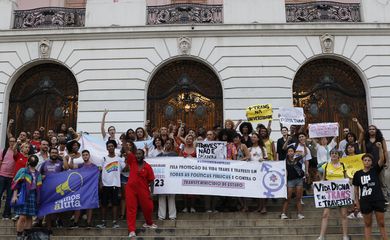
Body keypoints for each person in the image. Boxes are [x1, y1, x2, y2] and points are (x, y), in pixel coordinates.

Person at [353, 145, 388, 240]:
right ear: (362, 161)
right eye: (365, 160)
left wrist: (380, 148)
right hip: (365, 201)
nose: (367, 161)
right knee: (368, 224)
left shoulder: (375, 170)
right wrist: (357, 202)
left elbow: (381, 159)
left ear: (372, 162)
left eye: (369, 160)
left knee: (381, 223)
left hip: (378, 199)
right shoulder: (357, 174)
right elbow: (356, 190)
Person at [317, 149, 349, 240]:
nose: (334, 155)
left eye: (335, 153)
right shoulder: (326, 165)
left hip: (341, 193)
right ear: (330, 155)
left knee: (343, 214)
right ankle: (321, 236)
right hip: (329, 194)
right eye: (332, 153)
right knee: (325, 214)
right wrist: (319, 183)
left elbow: (347, 178)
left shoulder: (343, 165)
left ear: (339, 156)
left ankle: (345, 236)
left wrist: (349, 182)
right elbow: (323, 179)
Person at [124, 148, 156, 238]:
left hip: (143, 189)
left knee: (149, 207)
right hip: (130, 188)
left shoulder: (148, 166)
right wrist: (125, 143)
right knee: (131, 209)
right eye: (137, 154)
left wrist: (152, 192)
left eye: (140, 154)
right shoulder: (132, 162)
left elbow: (152, 180)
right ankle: (131, 230)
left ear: (143, 155)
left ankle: (149, 223)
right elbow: (127, 151)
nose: (138, 155)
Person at [12, 155, 42, 240]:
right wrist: (14, 195)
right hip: (23, 194)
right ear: (28, 161)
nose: (34, 161)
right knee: (22, 216)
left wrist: (38, 198)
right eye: (32, 160)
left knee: (30, 216)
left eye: (35, 160)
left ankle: (26, 235)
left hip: (33, 195)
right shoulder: (23, 171)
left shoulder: (37, 173)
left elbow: (39, 186)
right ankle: (19, 235)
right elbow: (16, 183)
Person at [96, 140, 125, 229]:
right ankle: (103, 222)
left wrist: (127, 158)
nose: (110, 147)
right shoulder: (103, 158)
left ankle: (114, 222)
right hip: (105, 184)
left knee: (115, 204)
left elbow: (125, 169)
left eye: (112, 146)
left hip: (115, 185)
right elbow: (100, 171)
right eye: (109, 146)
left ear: (114, 147)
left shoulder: (119, 159)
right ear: (107, 148)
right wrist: (100, 182)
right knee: (104, 204)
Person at [67, 150, 98, 229]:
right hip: (81, 188)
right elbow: (71, 167)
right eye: (83, 155)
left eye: (86, 155)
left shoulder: (94, 166)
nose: (85, 156)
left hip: (90, 188)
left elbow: (97, 177)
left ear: (89, 155)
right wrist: (72, 159)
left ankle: (88, 223)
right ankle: (75, 223)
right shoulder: (80, 165)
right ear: (82, 156)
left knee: (89, 206)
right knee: (78, 205)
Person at [362, 124, 389, 203]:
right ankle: (372, 198)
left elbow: (385, 151)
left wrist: (387, 162)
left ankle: (384, 199)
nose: (372, 130)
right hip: (369, 165)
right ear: (368, 131)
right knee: (370, 182)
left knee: (381, 181)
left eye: (373, 129)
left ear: (376, 130)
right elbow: (365, 153)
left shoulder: (381, 139)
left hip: (380, 163)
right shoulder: (365, 140)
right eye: (370, 129)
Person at [40, 148, 65, 230]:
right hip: (47, 190)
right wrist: (41, 177)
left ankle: (56, 221)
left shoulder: (60, 163)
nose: (54, 154)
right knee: (48, 208)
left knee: (58, 207)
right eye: (52, 152)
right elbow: (39, 175)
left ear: (57, 154)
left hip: (58, 190)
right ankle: (49, 227)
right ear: (49, 153)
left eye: (55, 153)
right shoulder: (44, 163)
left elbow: (65, 174)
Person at [281, 146, 305, 220]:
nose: (290, 152)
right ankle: (283, 214)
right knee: (288, 198)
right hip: (290, 181)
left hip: (299, 180)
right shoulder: (284, 161)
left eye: (292, 151)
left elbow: (305, 153)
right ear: (287, 153)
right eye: (289, 151)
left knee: (298, 198)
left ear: (294, 152)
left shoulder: (298, 159)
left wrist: (304, 145)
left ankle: (300, 214)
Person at [157, 139, 177, 220]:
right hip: (162, 178)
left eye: (170, 143)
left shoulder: (175, 154)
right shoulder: (159, 155)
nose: (168, 144)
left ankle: (172, 216)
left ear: (172, 145)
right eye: (167, 143)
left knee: (171, 197)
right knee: (161, 197)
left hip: (171, 178)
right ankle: (161, 216)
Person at [0, 137, 18, 219]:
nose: (12, 142)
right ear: (8, 142)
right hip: (2, 176)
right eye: (11, 141)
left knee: (9, 196)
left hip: (12, 177)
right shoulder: (3, 151)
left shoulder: (17, 152)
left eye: (14, 141)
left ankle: (6, 214)